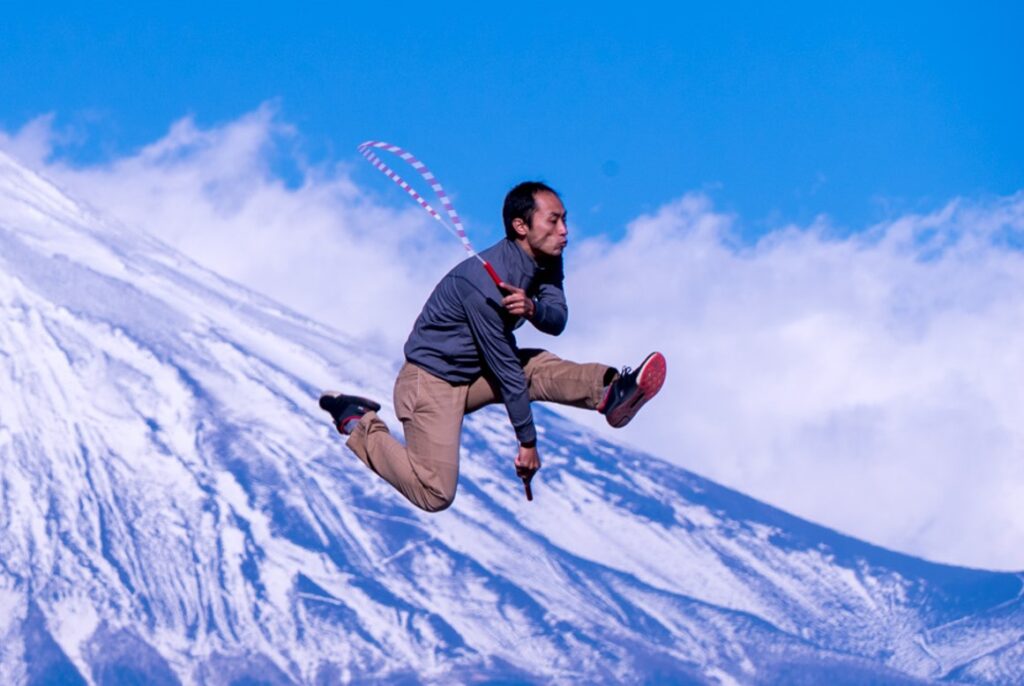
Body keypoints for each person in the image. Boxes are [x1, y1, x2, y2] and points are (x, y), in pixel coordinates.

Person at [320, 181, 665, 512]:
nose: (564, 231)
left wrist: (533, 309)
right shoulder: (482, 284)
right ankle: (356, 420)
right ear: (520, 226)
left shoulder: (547, 259)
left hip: (471, 376)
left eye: (565, 220)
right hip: (428, 385)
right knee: (435, 493)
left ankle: (613, 391)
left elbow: (557, 320)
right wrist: (527, 443)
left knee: (535, 368)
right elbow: (504, 368)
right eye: (553, 221)